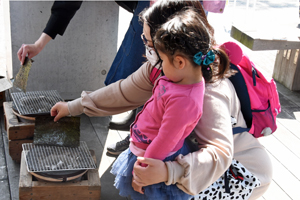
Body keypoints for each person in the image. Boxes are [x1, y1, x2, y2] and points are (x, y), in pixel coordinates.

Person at [50, 0, 272, 199]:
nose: (146, 50)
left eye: (148, 42)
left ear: (173, 46)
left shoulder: (207, 90)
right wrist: (72, 107)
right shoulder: (165, 67)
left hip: (236, 171)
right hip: (187, 156)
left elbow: (219, 154)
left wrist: (168, 172)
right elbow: (123, 92)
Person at [110, 7, 232, 199]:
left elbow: (166, 139)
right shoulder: (181, 79)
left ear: (180, 62)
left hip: (155, 162)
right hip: (148, 152)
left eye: (164, 60)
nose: (160, 65)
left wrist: (142, 172)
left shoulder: (185, 100)